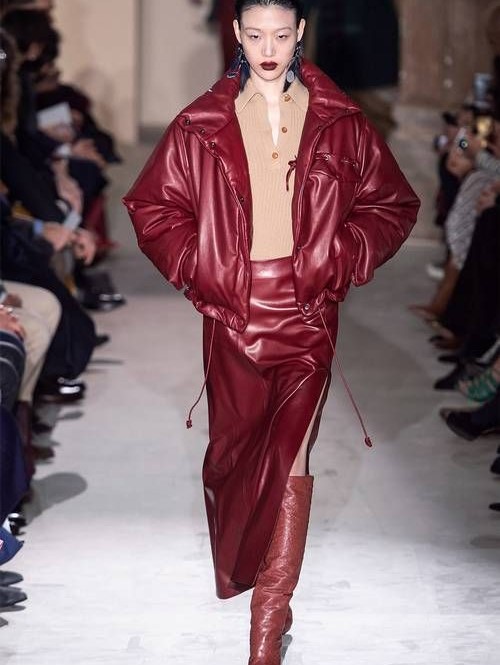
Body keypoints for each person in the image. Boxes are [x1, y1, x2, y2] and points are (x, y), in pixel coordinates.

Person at [124, 1, 419, 662]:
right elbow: (151, 205)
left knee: (291, 461)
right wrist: (204, 268)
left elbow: (392, 204)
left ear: (300, 34)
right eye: (255, 34)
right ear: (235, 33)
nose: (268, 49)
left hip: (307, 314)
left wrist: (338, 257)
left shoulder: (339, 121)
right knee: (236, 465)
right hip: (235, 315)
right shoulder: (203, 123)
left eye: (281, 35)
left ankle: (265, 634)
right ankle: (266, 606)